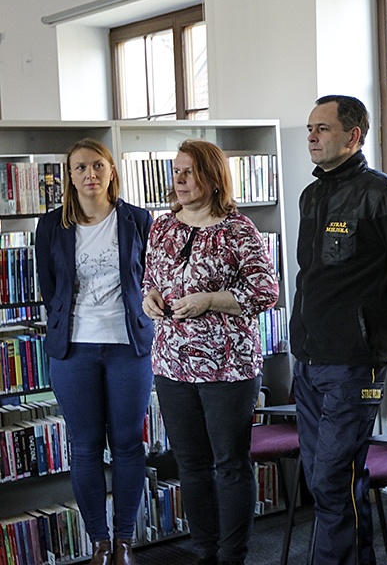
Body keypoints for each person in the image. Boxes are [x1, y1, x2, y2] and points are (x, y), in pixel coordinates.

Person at [289, 95, 387, 565]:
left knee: (332, 477)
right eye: (310, 128)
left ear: (354, 135)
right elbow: (309, 278)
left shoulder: (382, 194)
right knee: (329, 479)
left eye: (322, 128)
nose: (311, 136)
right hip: (308, 360)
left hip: (356, 363)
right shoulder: (311, 195)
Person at [142, 139, 278, 565]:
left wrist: (209, 300)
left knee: (230, 465)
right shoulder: (162, 226)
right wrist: (149, 298)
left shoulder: (238, 230)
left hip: (227, 365)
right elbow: (151, 278)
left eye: (189, 171)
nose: (179, 179)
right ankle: (203, 551)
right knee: (190, 464)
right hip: (171, 364)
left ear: (213, 176)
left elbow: (265, 291)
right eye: (176, 171)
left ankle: (232, 554)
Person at [35, 138, 154, 565]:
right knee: (84, 445)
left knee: (126, 444)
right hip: (74, 349)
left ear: (111, 171)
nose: (90, 175)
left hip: (129, 346)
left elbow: (151, 279)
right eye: (81, 168)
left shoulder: (138, 220)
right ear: (70, 176)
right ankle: (99, 543)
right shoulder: (51, 226)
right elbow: (51, 290)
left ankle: (124, 541)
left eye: (98, 166)